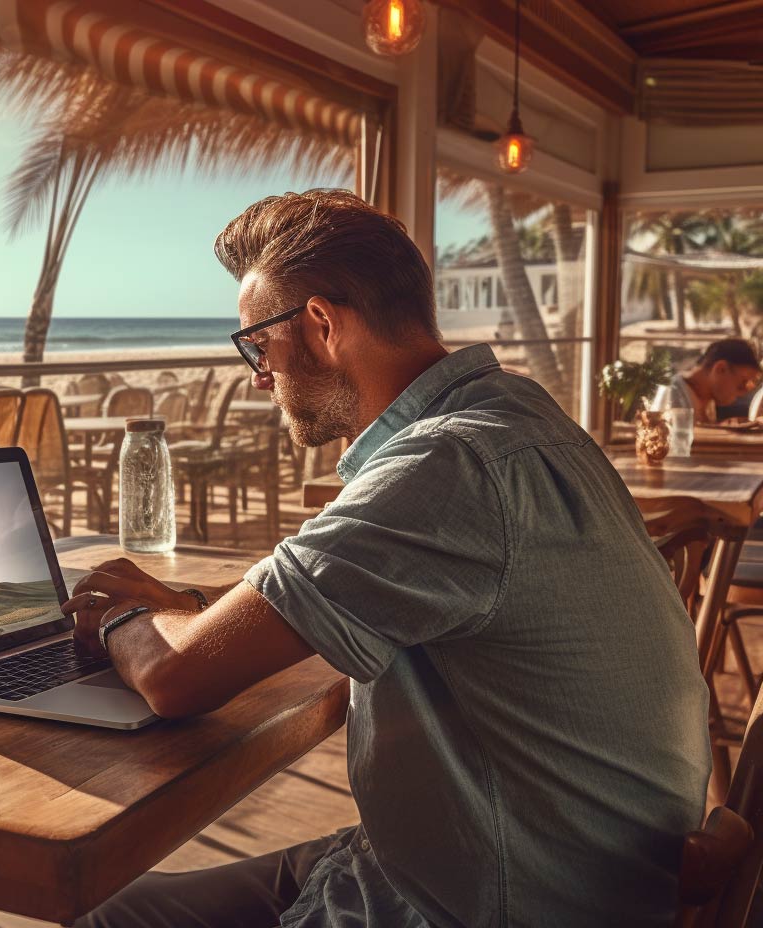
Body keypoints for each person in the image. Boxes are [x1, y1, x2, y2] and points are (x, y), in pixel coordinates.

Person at [62, 189, 710, 927]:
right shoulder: (514, 415)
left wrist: (119, 612)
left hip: (481, 901)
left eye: (257, 347)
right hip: (537, 860)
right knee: (112, 913)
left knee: (101, 918)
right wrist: (194, 605)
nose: (258, 378)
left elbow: (176, 677)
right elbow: (337, 592)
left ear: (321, 326)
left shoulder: (447, 463)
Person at [668, 338, 761, 423]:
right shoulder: (673, 401)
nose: (743, 393)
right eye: (742, 385)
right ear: (721, 369)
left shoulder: (706, 400)